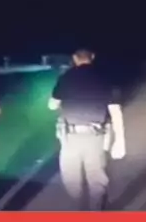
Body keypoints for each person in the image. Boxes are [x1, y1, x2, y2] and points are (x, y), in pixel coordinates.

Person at [48, 48, 125, 210]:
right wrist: (120, 141)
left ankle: (78, 212)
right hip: (96, 137)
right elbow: (115, 111)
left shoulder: (66, 77)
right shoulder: (105, 78)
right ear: (93, 57)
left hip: (70, 137)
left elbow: (52, 105)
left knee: (71, 180)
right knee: (97, 180)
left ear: (75, 58)